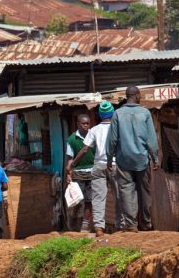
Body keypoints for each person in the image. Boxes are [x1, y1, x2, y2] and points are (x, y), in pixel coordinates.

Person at [107, 86, 159, 232]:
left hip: (123, 159)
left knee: (126, 190)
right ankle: (146, 223)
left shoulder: (117, 114)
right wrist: (155, 157)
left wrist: (110, 158)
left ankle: (131, 224)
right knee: (144, 191)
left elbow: (112, 140)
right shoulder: (145, 113)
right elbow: (151, 139)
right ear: (136, 95)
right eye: (140, 95)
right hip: (142, 158)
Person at [68, 102, 117, 236]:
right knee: (119, 195)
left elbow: (85, 149)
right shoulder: (117, 127)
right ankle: (121, 225)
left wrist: (72, 164)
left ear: (100, 115)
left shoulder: (94, 130)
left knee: (98, 198)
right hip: (114, 164)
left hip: (99, 166)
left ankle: (99, 227)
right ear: (112, 113)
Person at [64, 114, 94, 231]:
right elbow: (69, 157)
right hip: (78, 173)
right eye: (83, 123)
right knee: (78, 200)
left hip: (92, 172)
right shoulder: (72, 139)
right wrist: (68, 173)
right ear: (78, 124)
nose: (86, 126)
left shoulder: (93, 135)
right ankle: (73, 218)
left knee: (89, 200)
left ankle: (85, 225)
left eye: (88, 124)